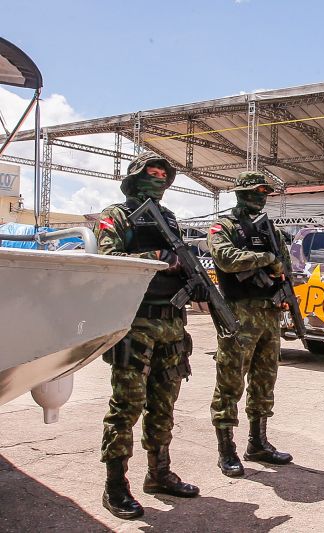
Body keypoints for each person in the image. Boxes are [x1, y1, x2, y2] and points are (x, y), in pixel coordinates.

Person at [96, 152, 202, 519]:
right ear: (135, 177)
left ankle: (158, 474)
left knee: (163, 406)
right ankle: (115, 487)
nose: (158, 178)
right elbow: (110, 259)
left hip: (172, 326)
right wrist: (162, 256)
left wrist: (195, 281)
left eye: (163, 174)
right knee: (126, 407)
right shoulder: (117, 215)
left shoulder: (170, 218)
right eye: (151, 173)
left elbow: (183, 262)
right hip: (136, 324)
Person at [208, 172, 292, 478]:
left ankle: (258, 443)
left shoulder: (271, 230)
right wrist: (266, 258)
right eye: (255, 192)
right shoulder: (223, 227)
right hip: (239, 314)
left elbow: (285, 266)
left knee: (264, 381)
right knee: (230, 383)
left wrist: (285, 292)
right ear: (240, 193)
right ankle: (226, 451)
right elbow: (226, 258)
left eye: (264, 192)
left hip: (269, 313)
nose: (260, 197)